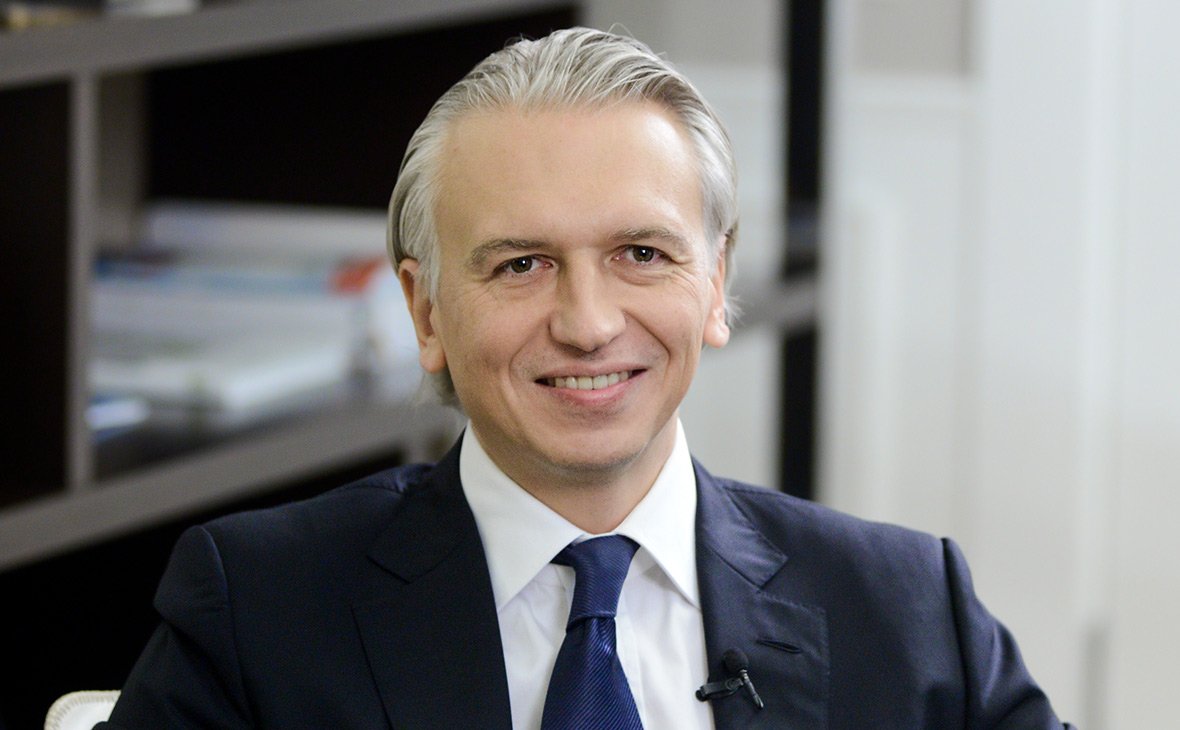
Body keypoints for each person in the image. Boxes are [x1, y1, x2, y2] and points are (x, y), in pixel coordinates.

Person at [101, 27, 1073, 729]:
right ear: (426, 312)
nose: (588, 323)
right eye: (520, 264)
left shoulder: (909, 611)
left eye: (641, 254)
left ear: (715, 284)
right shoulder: (256, 612)